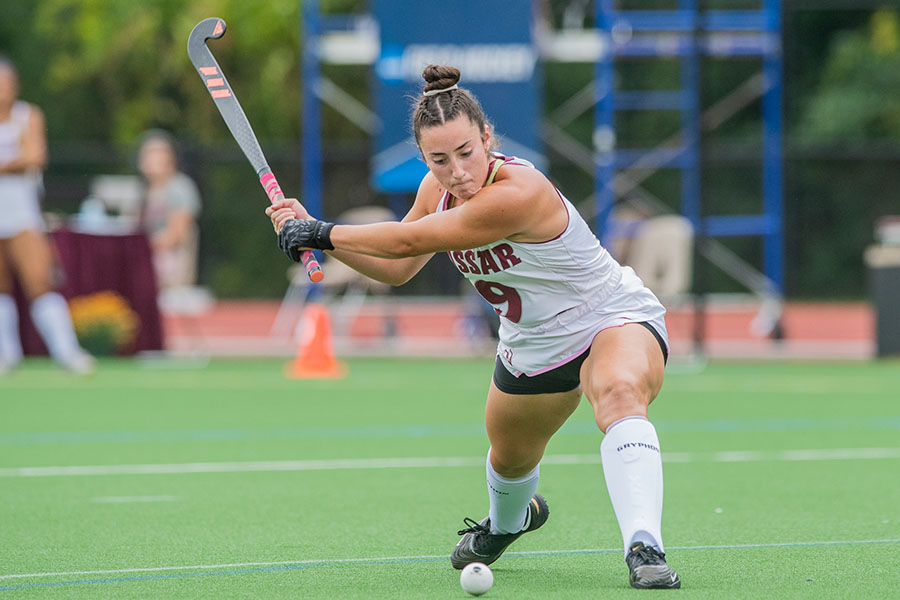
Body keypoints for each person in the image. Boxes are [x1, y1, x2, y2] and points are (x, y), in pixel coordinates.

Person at [268, 65, 680, 590]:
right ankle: (510, 522)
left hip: (608, 315)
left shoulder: (520, 189)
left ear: (488, 137)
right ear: (423, 159)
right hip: (531, 343)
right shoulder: (433, 191)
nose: (457, 170)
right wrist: (314, 235)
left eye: (466, 152)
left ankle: (645, 548)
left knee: (620, 393)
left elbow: (410, 242)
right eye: (439, 160)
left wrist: (324, 232)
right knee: (509, 458)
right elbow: (396, 268)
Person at [0, 56, 94, 375]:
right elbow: (23, 157)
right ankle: (6, 355)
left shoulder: (28, 115)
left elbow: (36, 156)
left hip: (21, 211)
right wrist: (16, 160)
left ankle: (66, 352)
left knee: (39, 280)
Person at [136, 129, 201, 292]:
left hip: (172, 264)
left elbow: (177, 234)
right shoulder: (144, 190)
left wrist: (142, 245)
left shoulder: (179, 188)